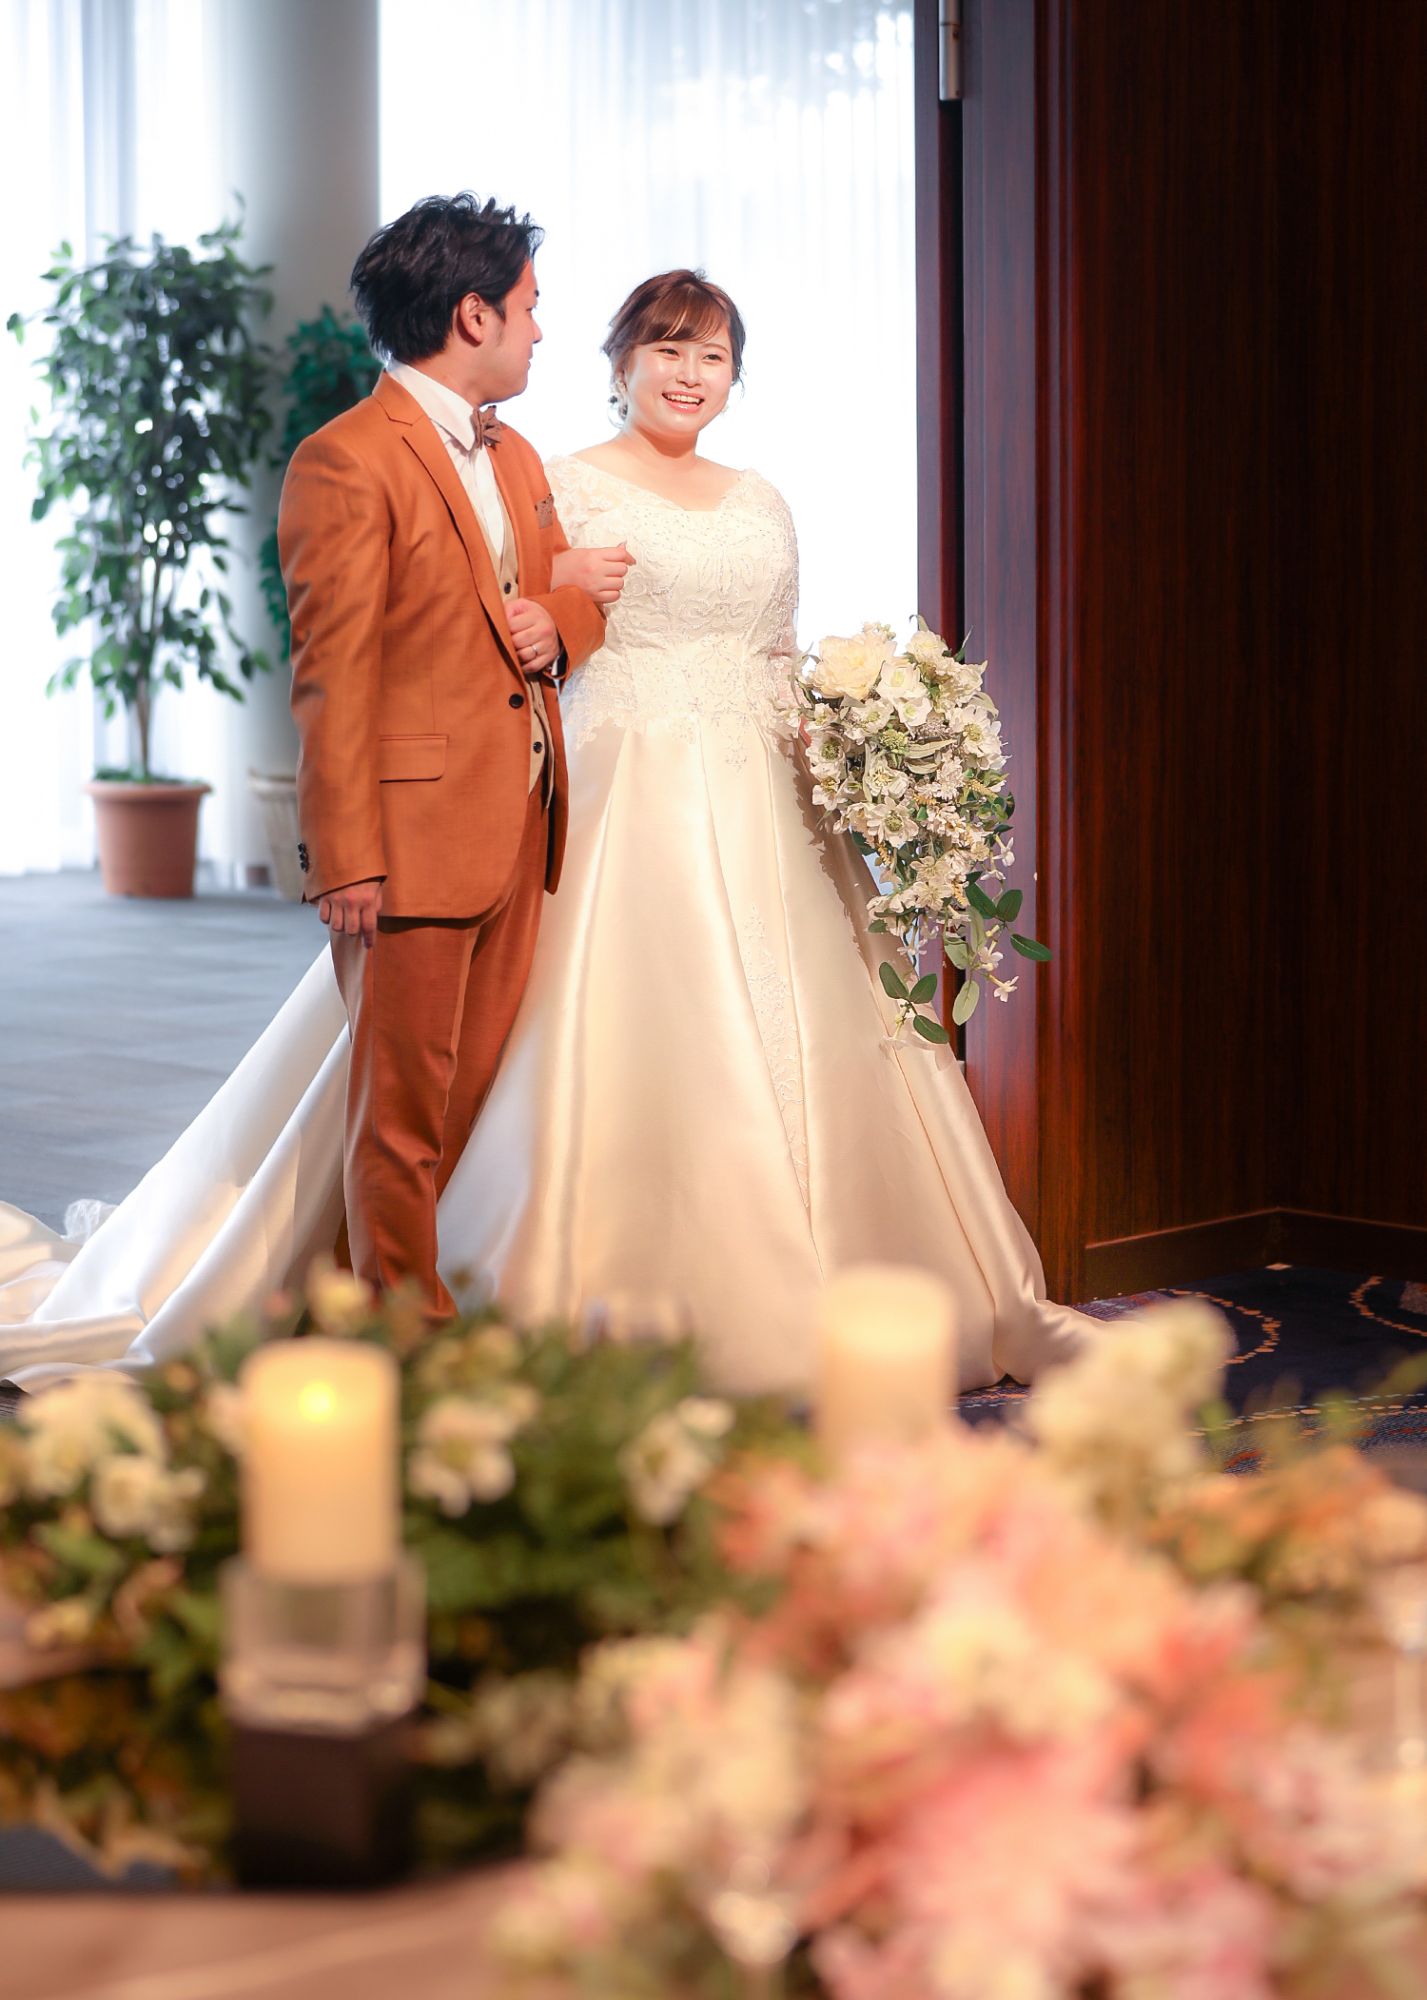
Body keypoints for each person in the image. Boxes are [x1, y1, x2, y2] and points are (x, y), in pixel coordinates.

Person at [0, 265, 1091, 1397]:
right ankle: (477, 1298)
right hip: (619, 789)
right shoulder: (553, 478)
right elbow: (476, 626)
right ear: (619, 362)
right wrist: (556, 612)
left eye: (711, 355)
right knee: (514, 1047)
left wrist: (862, 748)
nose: (688, 373)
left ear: (735, 377)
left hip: (771, 797)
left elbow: (776, 651)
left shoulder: (762, 497)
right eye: (665, 348)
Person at [278, 193, 611, 1316]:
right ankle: (404, 1337)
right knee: (401, 1109)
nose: (539, 329)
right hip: (409, 837)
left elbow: (567, 595)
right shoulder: (344, 460)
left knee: (462, 1094)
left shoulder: (514, 454)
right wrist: (345, 858)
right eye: (528, 305)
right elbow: (331, 675)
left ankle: (352, 1308)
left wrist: (560, 622)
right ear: (473, 314)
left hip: (519, 817)